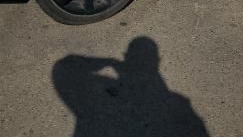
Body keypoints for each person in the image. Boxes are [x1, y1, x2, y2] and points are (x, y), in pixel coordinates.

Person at [53, 37, 209, 137]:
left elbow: (62, 67)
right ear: (158, 60)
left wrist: (110, 62)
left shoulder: (177, 102)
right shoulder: (178, 102)